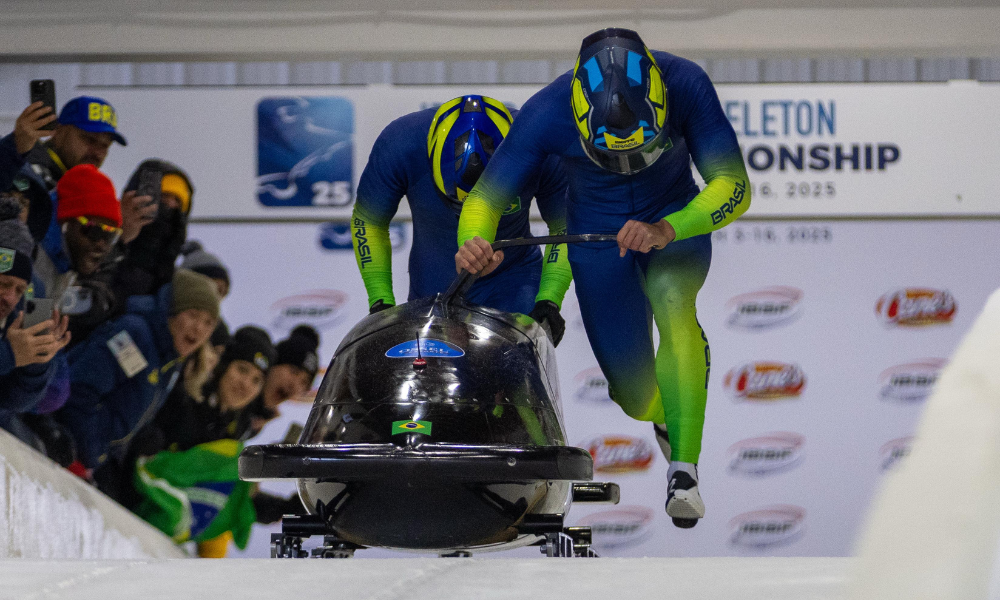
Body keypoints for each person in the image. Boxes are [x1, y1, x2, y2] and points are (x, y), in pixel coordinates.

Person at [454, 28, 751, 528]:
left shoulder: (687, 83)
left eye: (640, 153)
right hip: (595, 239)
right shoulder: (547, 111)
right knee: (634, 396)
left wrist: (666, 229)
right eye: (612, 157)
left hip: (672, 222)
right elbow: (485, 197)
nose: (626, 166)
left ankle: (684, 470)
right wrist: (475, 240)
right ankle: (665, 408)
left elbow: (734, 185)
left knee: (672, 299)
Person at [351, 94, 571, 344]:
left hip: (512, 280)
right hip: (435, 282)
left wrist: (549, 298)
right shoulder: (400, 143)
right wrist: (381, 302)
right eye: (455, 202)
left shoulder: (539, 145)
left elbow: (564, 225)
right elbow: (368, 221)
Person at [57, 268, 220, 479]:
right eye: (193, 315)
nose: (199, 329)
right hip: (64, 445)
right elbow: (80, 390)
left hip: (89, 461)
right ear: (172, 310)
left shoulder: (171, 361)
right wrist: (86, 454)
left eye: (208, 323)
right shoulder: (135, 336)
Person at [0, 196, 71, 446]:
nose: (9, 298)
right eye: (3, 284)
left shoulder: (36, 296)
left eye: (18, 289)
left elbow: (17, 402)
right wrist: (9, 354)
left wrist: (38, 363)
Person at [242, 325, 320, 439]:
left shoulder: (256, 422)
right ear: (272, 365)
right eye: (294, 371)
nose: (294, 385)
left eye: (304, 382)